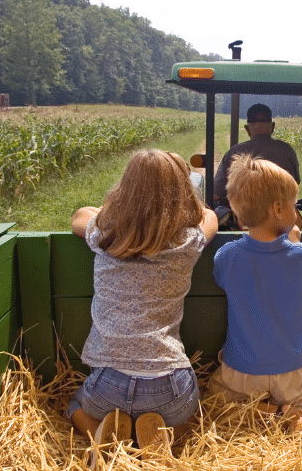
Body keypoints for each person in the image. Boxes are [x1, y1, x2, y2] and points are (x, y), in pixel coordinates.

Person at [67, 149, 218, 457]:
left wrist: (117, 213)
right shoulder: (188, 242)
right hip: (169, 387)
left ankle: (100, 434)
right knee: (191, 418)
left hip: (108, 385)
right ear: (183, 192)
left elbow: (79, 216)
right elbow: (210, 217)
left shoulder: (105, 234)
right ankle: (160, 437)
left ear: (125, 190)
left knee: (74, 405)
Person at [209, 154, 302, 437]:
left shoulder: (227, 256)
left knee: (216, 395)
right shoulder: (301, 256)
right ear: (279, 209)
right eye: (294, 206)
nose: (296, 212)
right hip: (289, 371)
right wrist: (296, 243)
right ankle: (295, 415)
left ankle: (265, 411)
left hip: (242, 370)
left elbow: (223, 280)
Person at [212, 103, 300, 203]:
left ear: (247, 129)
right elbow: (296, 181)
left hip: (244, 214)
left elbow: (216, 192)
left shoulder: (234, 152)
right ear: (272, 127)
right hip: (282, 212)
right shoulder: (287, 149)